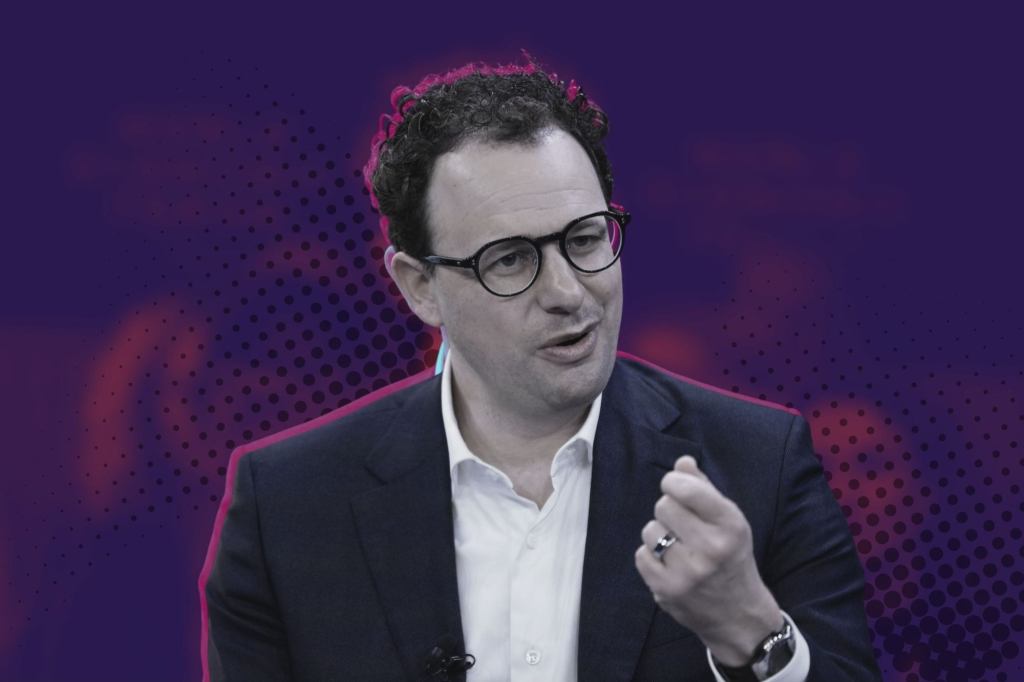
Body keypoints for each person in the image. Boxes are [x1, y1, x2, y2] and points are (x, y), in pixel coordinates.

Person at [199, 57, 881, 681]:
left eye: (584, 240)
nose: (567, 291)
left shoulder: (761, 465)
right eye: (510, 259)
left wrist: (752, 632)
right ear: (419, 287)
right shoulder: (285, 505)